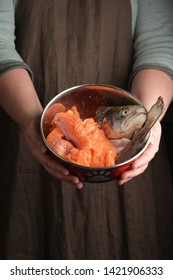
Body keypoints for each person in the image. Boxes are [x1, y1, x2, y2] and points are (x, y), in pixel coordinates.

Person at [0, 0, 173, 260]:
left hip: (125, 168)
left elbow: (159, 45)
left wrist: (146, 122)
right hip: (30, 141)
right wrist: (31, 120)